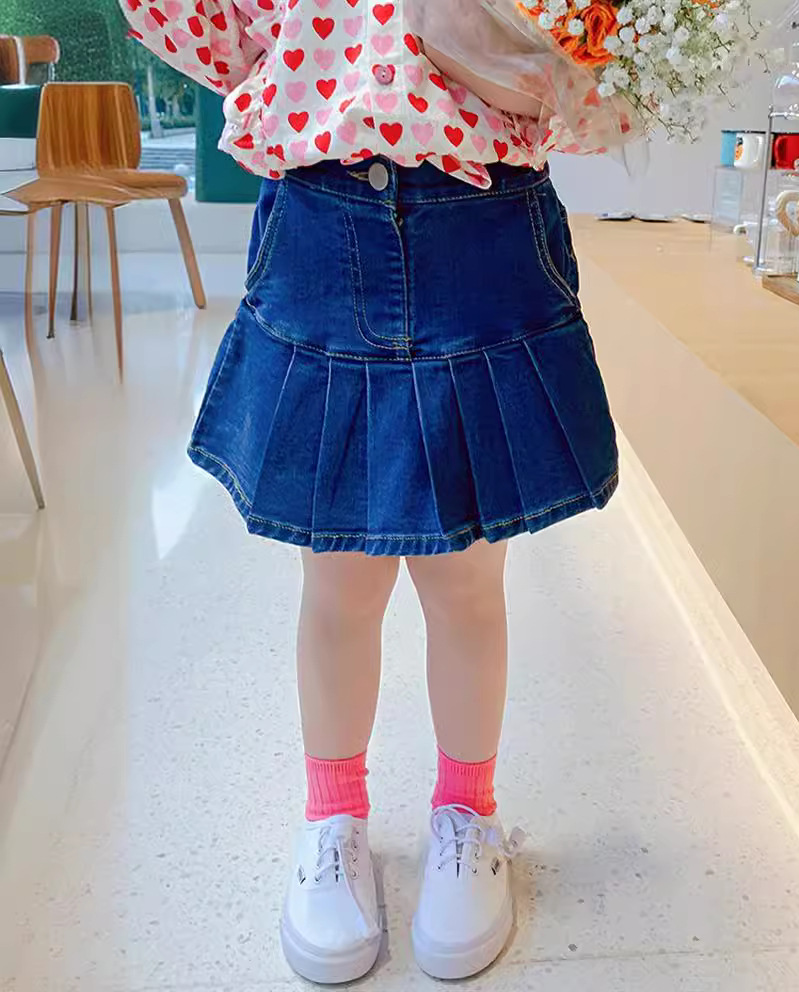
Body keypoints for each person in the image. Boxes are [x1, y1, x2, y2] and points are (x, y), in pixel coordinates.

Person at [119, 0, 618, 982]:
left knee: (464, 580)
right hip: (321, 216)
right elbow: (212, 34)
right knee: (339, 583)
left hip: (483, 217)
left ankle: (466, 813)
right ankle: (332, 816)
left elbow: (592, 70)